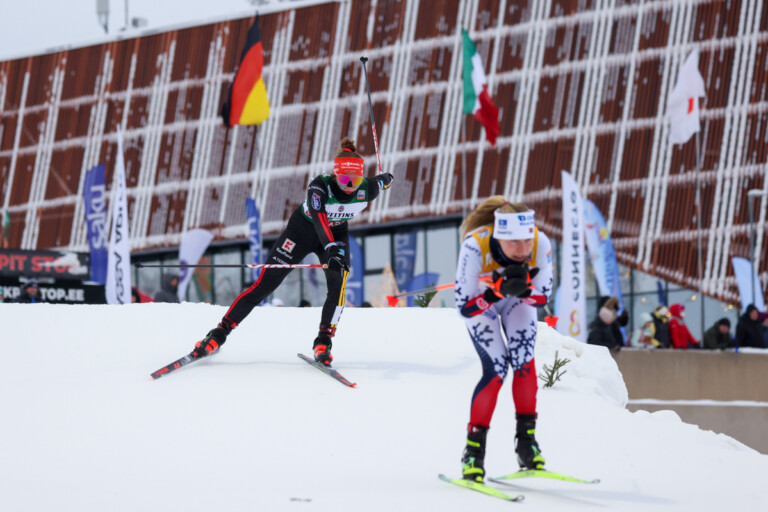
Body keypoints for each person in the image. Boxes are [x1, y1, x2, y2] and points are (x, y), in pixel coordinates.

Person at [191, 138, 393, 366]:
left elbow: (381, 182)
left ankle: (323, 342)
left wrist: (387, 179)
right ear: (336, 174)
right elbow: (319, 220)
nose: (349, 185)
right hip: (303, 231)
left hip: (336, 234)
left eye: (355, 180)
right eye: (345, 178)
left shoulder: (367, 189)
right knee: (265, 285)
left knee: (339, 283)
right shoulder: (319, 187)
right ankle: (218, 334)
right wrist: (331, 249)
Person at [453, 197, 553, 482]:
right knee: (496, 369)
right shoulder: (476, 246)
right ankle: (473, 453)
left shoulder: (541, 243)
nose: (523, 250)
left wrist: (521, 291)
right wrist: (495, 292)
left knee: (524, 362)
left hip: (517, 302)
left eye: (527, 242)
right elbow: (465, 306)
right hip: (482, 305)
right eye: (514, 244)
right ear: (499, 237)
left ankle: (527, 444)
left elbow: (544, 296)